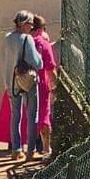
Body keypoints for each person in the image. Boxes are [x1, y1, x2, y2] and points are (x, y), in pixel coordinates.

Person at [1, 11, 44, 162]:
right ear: (23, 23)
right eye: (30, 23)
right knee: (32, 115)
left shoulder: (7, 38)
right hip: (27, 81)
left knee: (15, 116)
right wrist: (38, 54)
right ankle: (30, 151)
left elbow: (6, 61)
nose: (32, 27)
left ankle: (16, 150)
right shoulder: (27, 39)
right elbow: (38, 63)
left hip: (11, 82)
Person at [32, 15, 58, 157]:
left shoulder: (25, 41)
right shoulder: (43, 44)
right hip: (41, 84)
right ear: (42, 28)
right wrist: (55, 87)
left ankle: (28, 149)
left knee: (29, 117)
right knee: (44, 117)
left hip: (23, 84)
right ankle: (46, 150)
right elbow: (50, 69)